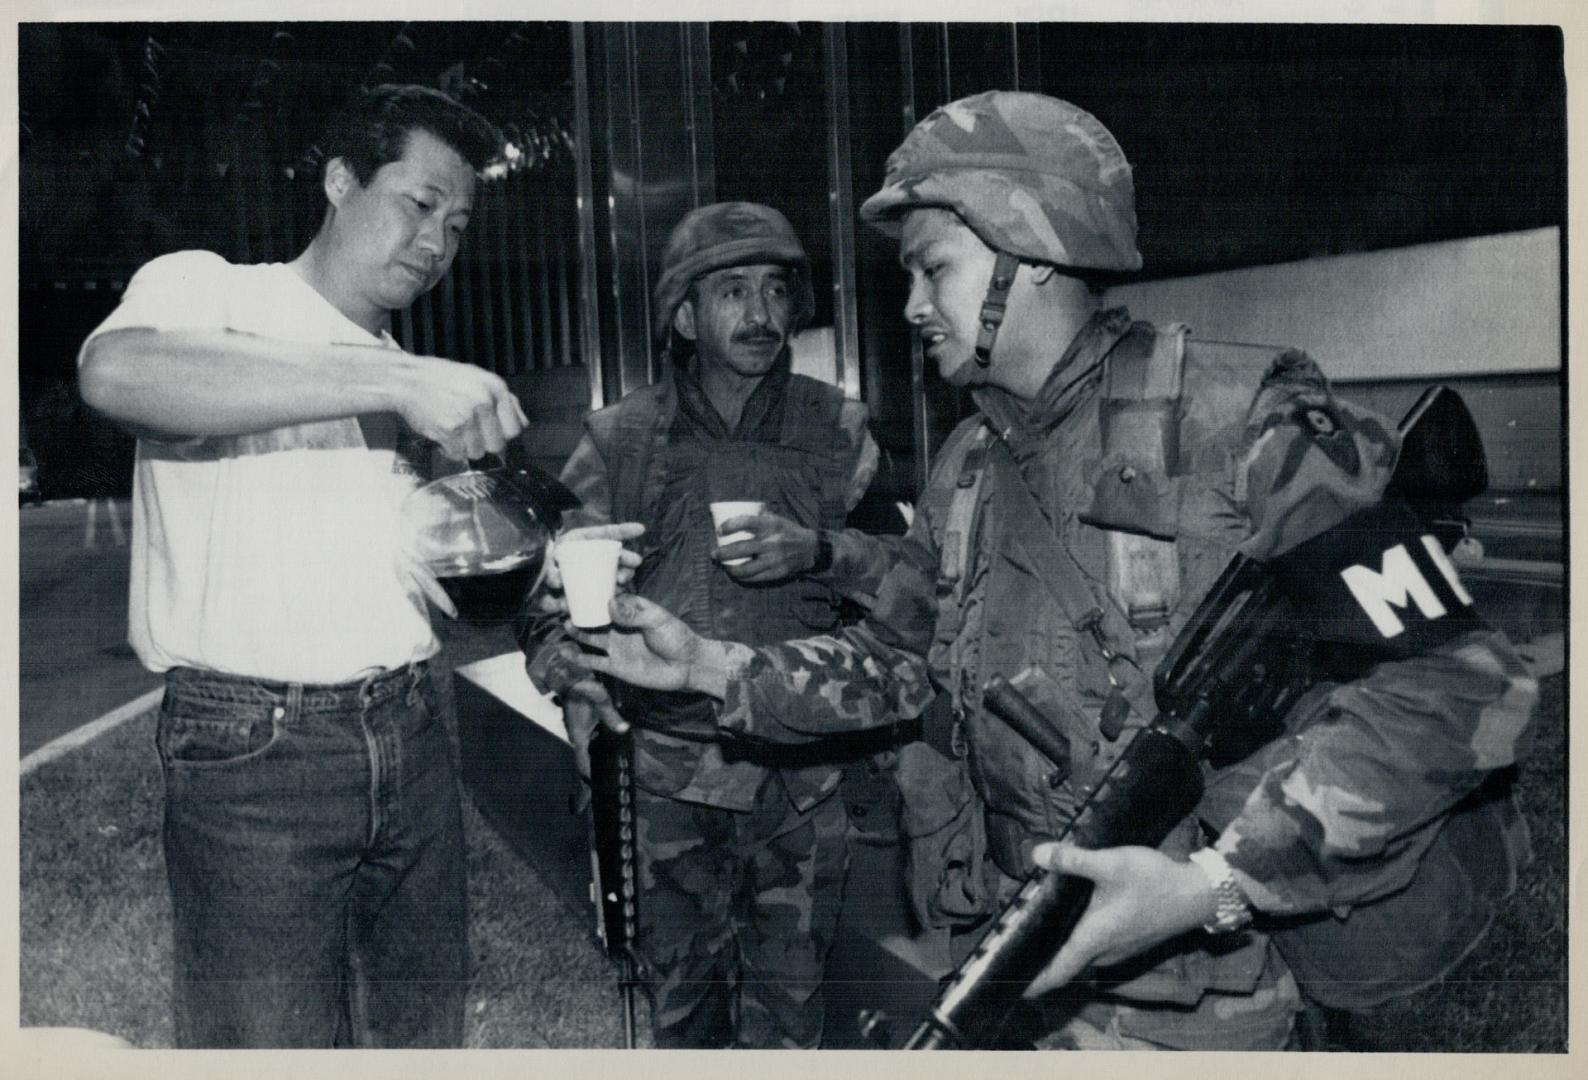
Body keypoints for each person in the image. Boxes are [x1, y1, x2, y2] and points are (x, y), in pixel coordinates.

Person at [564, 91, 1537, 1049]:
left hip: (1209, 1011)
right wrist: (705, 667)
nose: (909, 306)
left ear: (1026, 257)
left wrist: (1216, 883)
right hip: (1023, 975)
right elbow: (907, 668)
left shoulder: (1238, 415)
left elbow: (1455, 681)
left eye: (930, 269)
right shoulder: (971, 463)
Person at [77, 84, 525, 1048]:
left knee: (419, 1039)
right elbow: (117, 376)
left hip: (409, 730)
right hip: (253, 751)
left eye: (456, 223)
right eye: (418, 203)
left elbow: (409, 568)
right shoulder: (212, 289)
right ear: (338, 181)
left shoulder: (405, 375)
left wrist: (524, 559)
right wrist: (397, 379)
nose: (437, 242)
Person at [522, 201, 905, 1048]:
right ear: (685, 316)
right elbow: (543, 603)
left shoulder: (839, 430)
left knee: (790, 1019)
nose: (761, 314)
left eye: (775, 290)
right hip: (666, 784)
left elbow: (905, 581)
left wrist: (821, 550)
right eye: (731, 291)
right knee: (683, 1016)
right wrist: (570, 673)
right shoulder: (619, 438)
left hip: (803, 781)